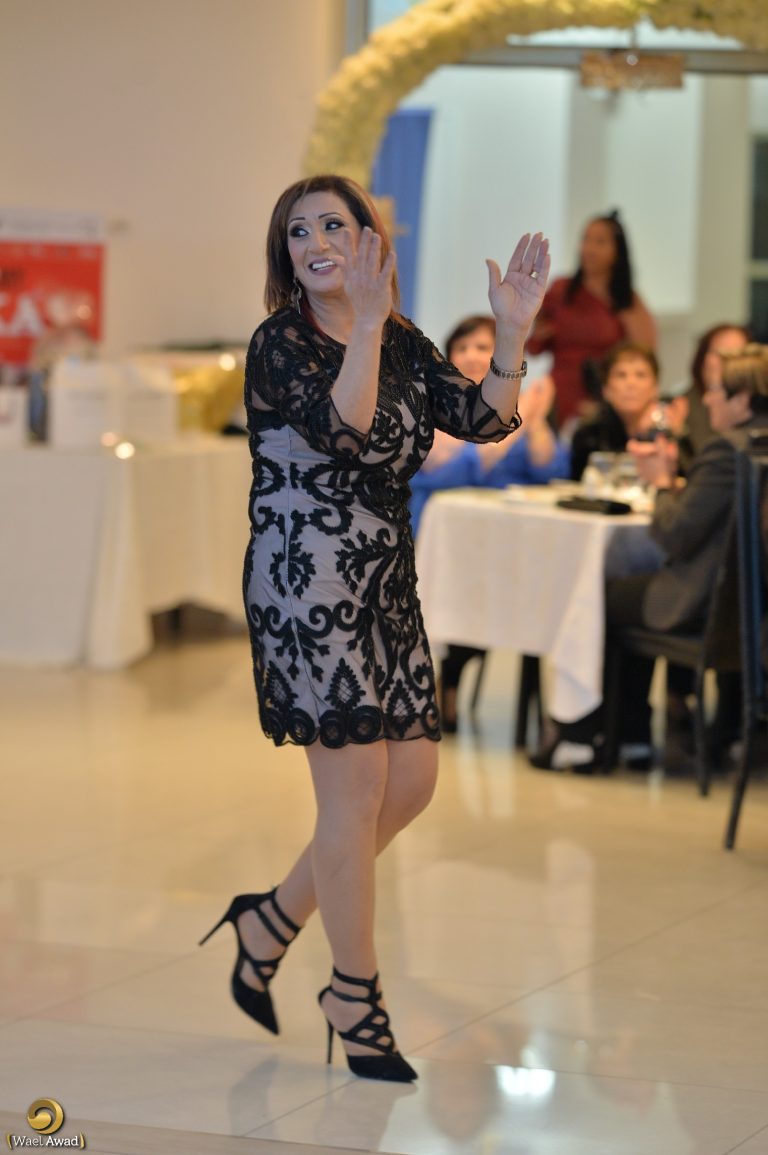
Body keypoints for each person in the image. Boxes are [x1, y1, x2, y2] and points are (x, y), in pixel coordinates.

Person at [199, 174, 550, 1082]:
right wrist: (361, 324)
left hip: (385, 580)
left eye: (335, 224)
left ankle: (270, 918)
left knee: (413, 783)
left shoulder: (400, 336)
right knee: (352, 799)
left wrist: (511, 332)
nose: (317, 241)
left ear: (369, 241)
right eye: (299, 231)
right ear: (286, 256)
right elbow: (347, 432)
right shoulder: (279, 342)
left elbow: (485, 419)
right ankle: (353, 995)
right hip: (307, 583)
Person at [530, 344, 768, 773]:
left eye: (716, 390)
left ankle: (585, 736)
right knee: (631, 585)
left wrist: (660, 483)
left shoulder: (725, 452)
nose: (707, 398)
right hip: (750, 605)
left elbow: (675, 535)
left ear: (743, 399)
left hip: (706, 603)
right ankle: (635, 735)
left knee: (596, 596)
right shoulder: (756, 449)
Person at [409, 313, 568, 731]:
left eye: (482, 347)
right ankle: (447, 682)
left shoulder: (523, 405)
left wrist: (536, 424)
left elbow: (550, 469)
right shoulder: (431, 404)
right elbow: (457, 468)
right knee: (470, 583)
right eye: (462, 347)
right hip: (444, 540)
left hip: (510, 542)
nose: (472, 356)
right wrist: (520, 420)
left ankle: (558, 709)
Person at [526, 211, 656, 428]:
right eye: (586, 239)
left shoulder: (627, 301)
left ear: (617, 251)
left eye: (600, 242)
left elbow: (644, 353)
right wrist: (538, 334)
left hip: (605, 399)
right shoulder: (561, 290)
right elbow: (533, 347)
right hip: (559, 396)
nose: (589, 249)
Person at [569, 341, 689, 483]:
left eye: (640, 375)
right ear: (606, 389)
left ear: (655, 388)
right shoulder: (589, 435)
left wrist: (677, 435)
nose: (631, 383)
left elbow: (693, 478)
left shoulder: (672, 428)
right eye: (621, 375)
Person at [684, 322, 750, 456]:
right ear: (702, 359)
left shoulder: (756, 408)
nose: (728, 362)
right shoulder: (679, 408)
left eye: (738, 355)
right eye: (720, 353)